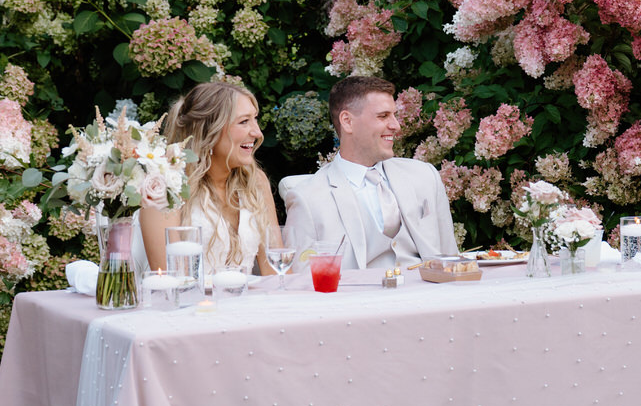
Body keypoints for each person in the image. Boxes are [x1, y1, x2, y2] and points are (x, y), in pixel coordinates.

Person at [284, 75, 457, 270]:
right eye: (383, 116)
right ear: (347, 121)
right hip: (358, 290)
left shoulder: (425, 176)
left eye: (394, 115)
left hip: (429, 288)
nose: (396, 125)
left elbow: (451, 260)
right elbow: (302, 280)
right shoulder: (307, 199)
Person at [140, 82, 281, 275]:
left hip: (248, 295)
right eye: (244, 121)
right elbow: (167, 279)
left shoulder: (255, 181)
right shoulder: (164, 187)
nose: (257, 133)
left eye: (254, 119)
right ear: (209, 130)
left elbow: (276, 272)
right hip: (190, 295)